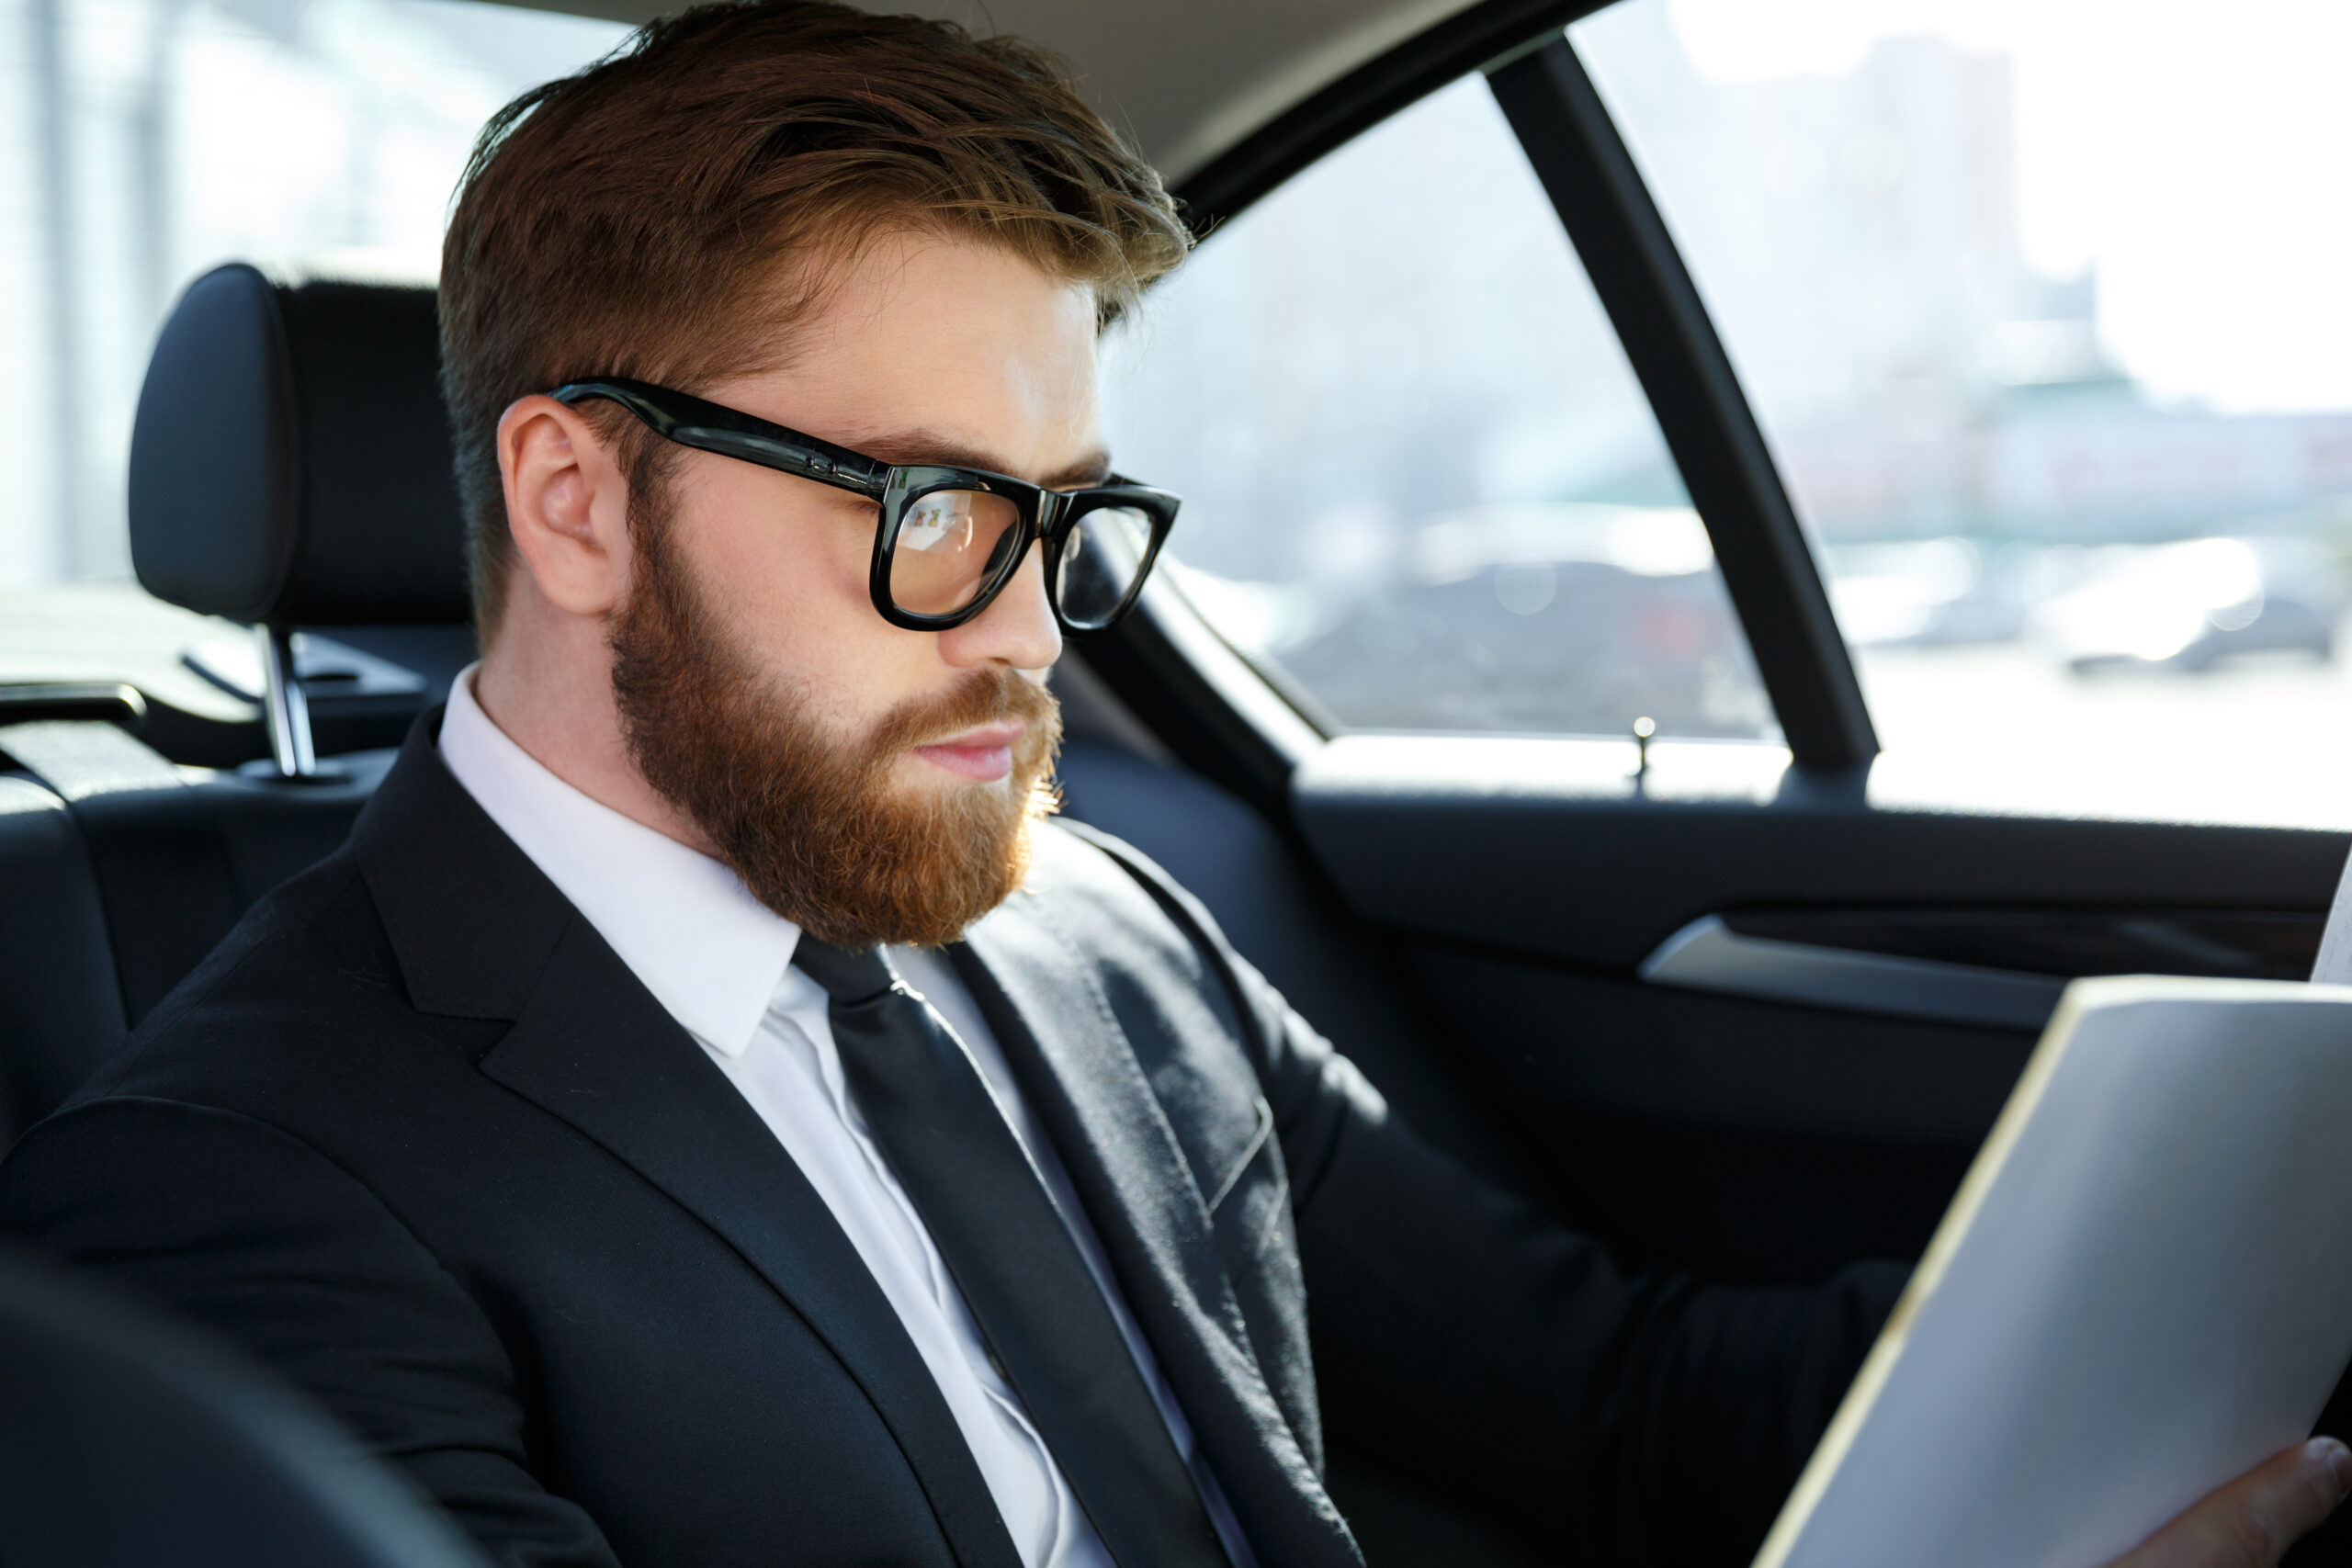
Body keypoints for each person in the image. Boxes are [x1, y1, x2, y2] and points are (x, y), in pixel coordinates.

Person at [1, 5, 2343, 1566]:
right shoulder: (230, 1193)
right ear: (578, 499)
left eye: (1057, 513)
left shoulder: (1086, 919)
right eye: (927, 510)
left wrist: (2216, 1311)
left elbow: (1614, 1398)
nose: (1024, 630)